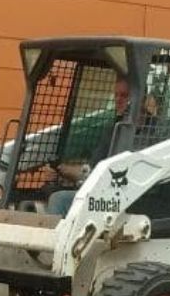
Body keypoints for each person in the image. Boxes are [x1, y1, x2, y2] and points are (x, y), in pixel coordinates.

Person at [44, 76, 143, 216]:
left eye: (124, 96)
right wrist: (60, 170)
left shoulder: (152, 132)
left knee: (59, 200)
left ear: (139, 99)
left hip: (130, 197)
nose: (118, 100)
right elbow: (92, 169)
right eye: (116, 95)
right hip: (106, 194)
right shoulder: (114, 128)